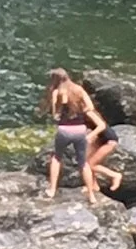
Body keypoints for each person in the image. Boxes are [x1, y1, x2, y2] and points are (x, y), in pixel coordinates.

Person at [43, 68, 119, 203]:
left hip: (73, 131)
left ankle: (52, 190)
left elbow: (55, 113)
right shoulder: (79, 91)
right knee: (84, 162)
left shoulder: (58, 92)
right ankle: (92, 193)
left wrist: (63, 112)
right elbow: (90, 106)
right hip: (82, 131)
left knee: (58, 157)